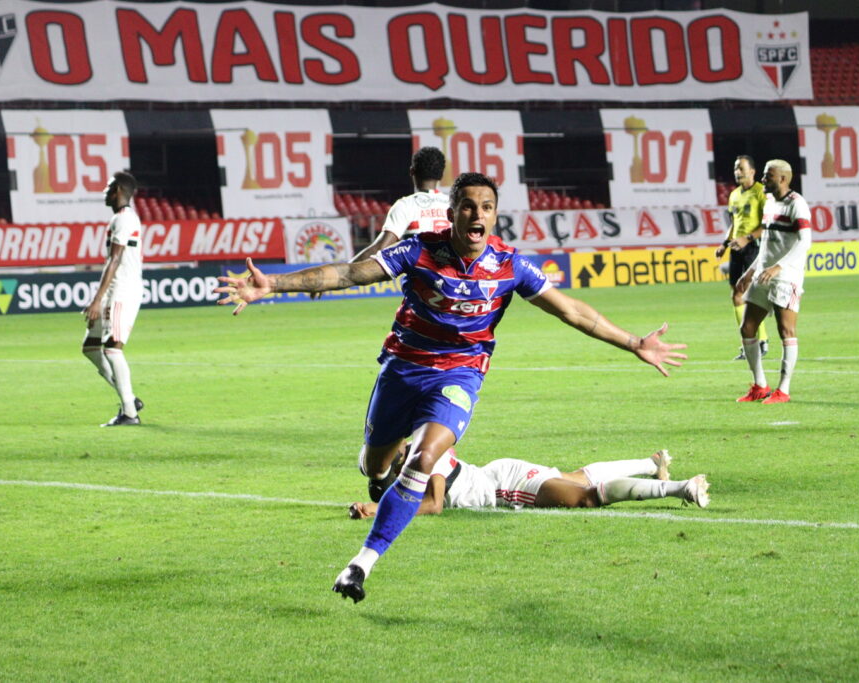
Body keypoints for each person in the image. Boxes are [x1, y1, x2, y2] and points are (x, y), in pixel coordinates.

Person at [215, 172, 688, 603]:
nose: (476, 214)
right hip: (402, 370)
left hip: (459, 375)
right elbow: (346, 273)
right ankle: (381, 479)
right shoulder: (418, 250)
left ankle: (360, 566)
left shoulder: (510, 266)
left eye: (485, 207)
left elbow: (573, 311)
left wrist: (633, 343)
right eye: (467, 205)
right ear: (452, 212)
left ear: (494, 215)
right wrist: (272, 285)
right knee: (376, 466)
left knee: (424, 459)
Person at [348, 448, 709, 519]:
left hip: (505, 487)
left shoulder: (424, 457)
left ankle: (680, 488)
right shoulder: (424, 444)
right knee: (578, 478)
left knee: (583, 498)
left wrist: (380, 510)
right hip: (500, 473)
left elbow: (435, 504)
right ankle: (651, 463)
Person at [735, 160, 812, 405]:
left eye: (769, 175)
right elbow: (767, 245)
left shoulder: (797, 204)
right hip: (763, 273)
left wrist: (779, 267)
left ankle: (784, 390)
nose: (764, 179)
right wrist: (750, 272)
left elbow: (804, 242)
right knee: (747, 327)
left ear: (783, 179)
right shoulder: (769, 203)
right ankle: (760, 385)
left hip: (786, 276)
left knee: (785, 330)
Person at [81, 171, 144, 427]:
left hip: (123, 292)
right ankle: (129, 398)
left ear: (117, 189)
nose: (104, 192)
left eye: (108, 187)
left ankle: (129, 413)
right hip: (112, 291)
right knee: (91, 348)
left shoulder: (125, 220)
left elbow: (115, 260)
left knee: (112, 348)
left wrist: (97, 300)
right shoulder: (119, 219)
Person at [349, 146, 450, 263]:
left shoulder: (405, 205)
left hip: (419, 278)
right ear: (441, 175)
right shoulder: (454, 205)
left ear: (412, 171)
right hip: (452, 278)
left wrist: (348, 268)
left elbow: (380, 248)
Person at [715, 155, 769, 360]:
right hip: (736, 248)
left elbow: (766, 225)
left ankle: (761, 341)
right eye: (735, 168)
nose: (737, 172)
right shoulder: (734, 195)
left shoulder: (760, 193)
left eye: (741, 168)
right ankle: (749, 343)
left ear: (753, 172)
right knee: (736, 295)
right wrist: (724, 243)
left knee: (751, 296)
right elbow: (733, 223)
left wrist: (747, 238)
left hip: (753, 247)